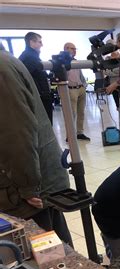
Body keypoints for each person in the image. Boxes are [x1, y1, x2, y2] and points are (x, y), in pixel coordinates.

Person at [0, 50, 73, 246]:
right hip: (29, 181)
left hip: (27, 189)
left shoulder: (2, 68)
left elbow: (16, 132)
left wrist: (28, 186)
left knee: (51, 258)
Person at [19, 32, 53, 124]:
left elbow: (38, 74)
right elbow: (27, 77)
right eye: (39, 42)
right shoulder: (29, 57)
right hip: (39, 97)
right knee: (45, 124)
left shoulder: (30, 56)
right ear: (32, 42)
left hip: (40, 95)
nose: (42, 45)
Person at [64, 42, 90, 141]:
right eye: (72, 48)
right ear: (66, 49)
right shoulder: (63, 62)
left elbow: (80, 75)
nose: (75, 50)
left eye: (75, 49)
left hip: (81, 89)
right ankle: (69, 135)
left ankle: (80, 132)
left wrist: (84, 85)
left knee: (81, 113)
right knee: (72, 114)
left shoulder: (76, 61)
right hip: (71, 90)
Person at [104, 40, 120, 136]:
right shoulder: (107, 59)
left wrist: (110, 71)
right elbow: (104, 71)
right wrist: (111, 71)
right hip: (113, 88)